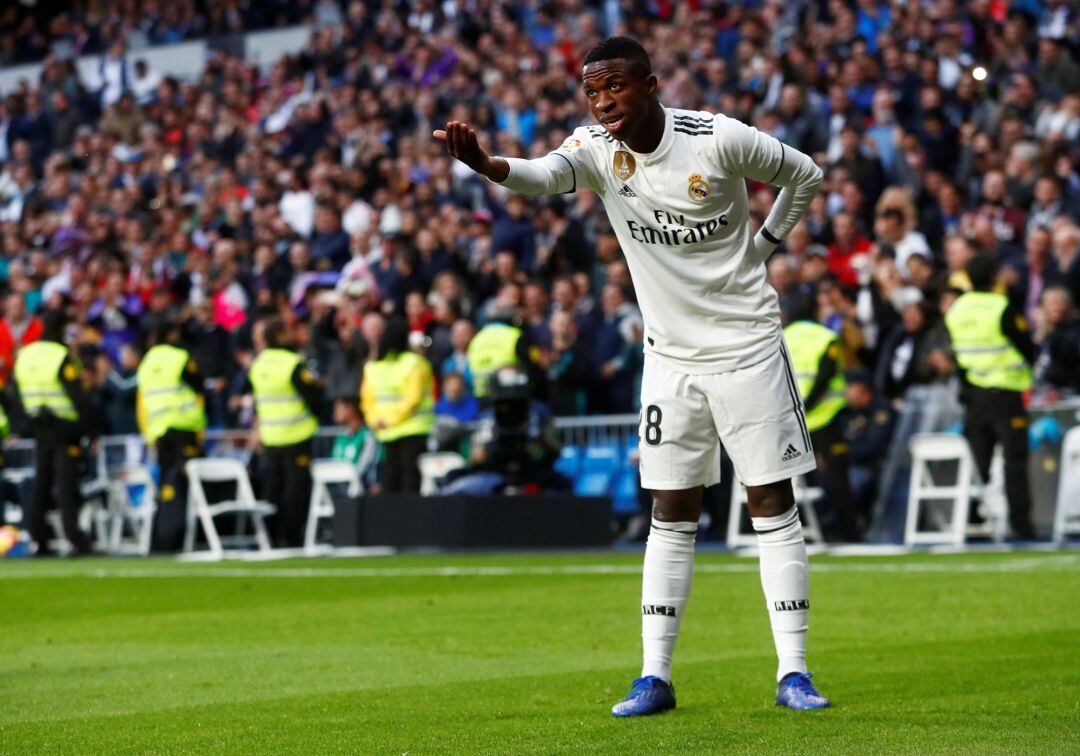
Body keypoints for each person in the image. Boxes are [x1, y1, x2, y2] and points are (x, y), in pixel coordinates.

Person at [435, 36, 829, 713]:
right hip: (670, 358)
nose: (602, 101)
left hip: (747, 347)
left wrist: (764, 245)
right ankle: (655, 676)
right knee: (670, 510)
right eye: (592, 91)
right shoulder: (595, 150)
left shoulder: (719, 139)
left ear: (649, 84)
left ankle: (793, 672)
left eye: (614, 86)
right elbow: (539, 176)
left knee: (769, 499)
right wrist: (487, 165)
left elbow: (807, 175)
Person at [944, 255, 1037, 540]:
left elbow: (957, 355)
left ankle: (972, 524)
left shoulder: (956, 310)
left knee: (978, 464)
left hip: (974, 396)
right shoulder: (1001, 307)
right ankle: (1022, 527)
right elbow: (1028, 348)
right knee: (1014, 461)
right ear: (996, 276)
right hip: (1006, 394)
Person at [11, 308, 98, 556]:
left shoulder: (25, 355)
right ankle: (75, 537)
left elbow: (15, 392)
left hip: (38, 426)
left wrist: (26, 423)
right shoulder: (61, 355)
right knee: (66, 485)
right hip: (64, 428)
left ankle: (37, 537)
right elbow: (77, 396)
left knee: (41, 483)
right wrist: (91, 430)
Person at [784, 306, 856, 542]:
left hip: (791, 419)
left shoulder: (781, 337)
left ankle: (790, 530)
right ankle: (846, 530)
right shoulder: (826, 338)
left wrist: (796, 409)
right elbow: (826, 375)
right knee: (836, 477)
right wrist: (808, 405)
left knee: (787, 477)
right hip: (825, 416)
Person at [249, 317, 321, 548]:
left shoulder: (258, 365)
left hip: (270, 436)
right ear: (279, 336)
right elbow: (312, 396)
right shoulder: (292, 362)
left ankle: (269, 537)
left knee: (272, 490)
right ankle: (292, 538)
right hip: (296, 434)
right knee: (295, 491)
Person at [135, 320, 207, 552]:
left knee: (166, 484)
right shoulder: (179, 357)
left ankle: (162, 536)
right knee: (183, 485)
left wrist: (148, 433)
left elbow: (142, 400)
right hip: (183, 428)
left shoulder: (147, 361)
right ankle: (177, 536)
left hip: (158, 431)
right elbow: (199, 386)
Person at [361, 318, 436, 493]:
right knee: (409, 479)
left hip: (387, 430)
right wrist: (388, 421)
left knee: (391, 478)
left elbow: (367, 400)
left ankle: (392, 519)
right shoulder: (416, 363)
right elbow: (412, 399)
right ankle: (409, 519)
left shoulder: (372, 367)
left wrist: (377, 420)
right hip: (412, 429)